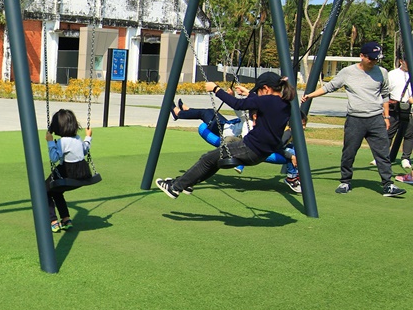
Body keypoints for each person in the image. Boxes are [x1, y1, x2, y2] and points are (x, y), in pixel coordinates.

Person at [157, 72, 295, 199]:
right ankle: (186, 182)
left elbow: (237, 103)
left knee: (206, 159)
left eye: (258, 91)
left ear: (266, 88)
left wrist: (216, 89)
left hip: (249, 148)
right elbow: (263, 104)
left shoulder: (268, 100)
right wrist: (249, 93)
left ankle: (175, 188)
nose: (257, 95)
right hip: (261, 153)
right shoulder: (284, 104)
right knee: (214, 161)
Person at [302, 42, 406, 197]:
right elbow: (329, 87)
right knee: (349, 152)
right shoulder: (348, 72)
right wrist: (310, 95)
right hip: (355, 119)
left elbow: (385, 95)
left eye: (376, 58)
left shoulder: (382, 72)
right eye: (371, 58)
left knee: (383, 153)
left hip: (376, 118)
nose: (374, 61)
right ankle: (345, 181)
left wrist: (386, 116)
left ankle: (388, 185)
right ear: (362, 56)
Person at [45, 109, 92, 231]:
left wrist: (50, 142)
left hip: (66, 175)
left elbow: (54, 158)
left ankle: (53, 221)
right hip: (82, 174)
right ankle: (66, 220)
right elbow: (85, 150)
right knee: (56, 192)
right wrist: (88, 137)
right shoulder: (77, 138)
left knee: (43, 190)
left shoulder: (62, 142)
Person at [385, 56, 412, 169]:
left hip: (410, 109)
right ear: (401, 61)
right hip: (395, 108)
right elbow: (385, 91)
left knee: (409, 134)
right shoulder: (392, 74)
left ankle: (405, 158)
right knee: (389, 133)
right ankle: (383, 156)